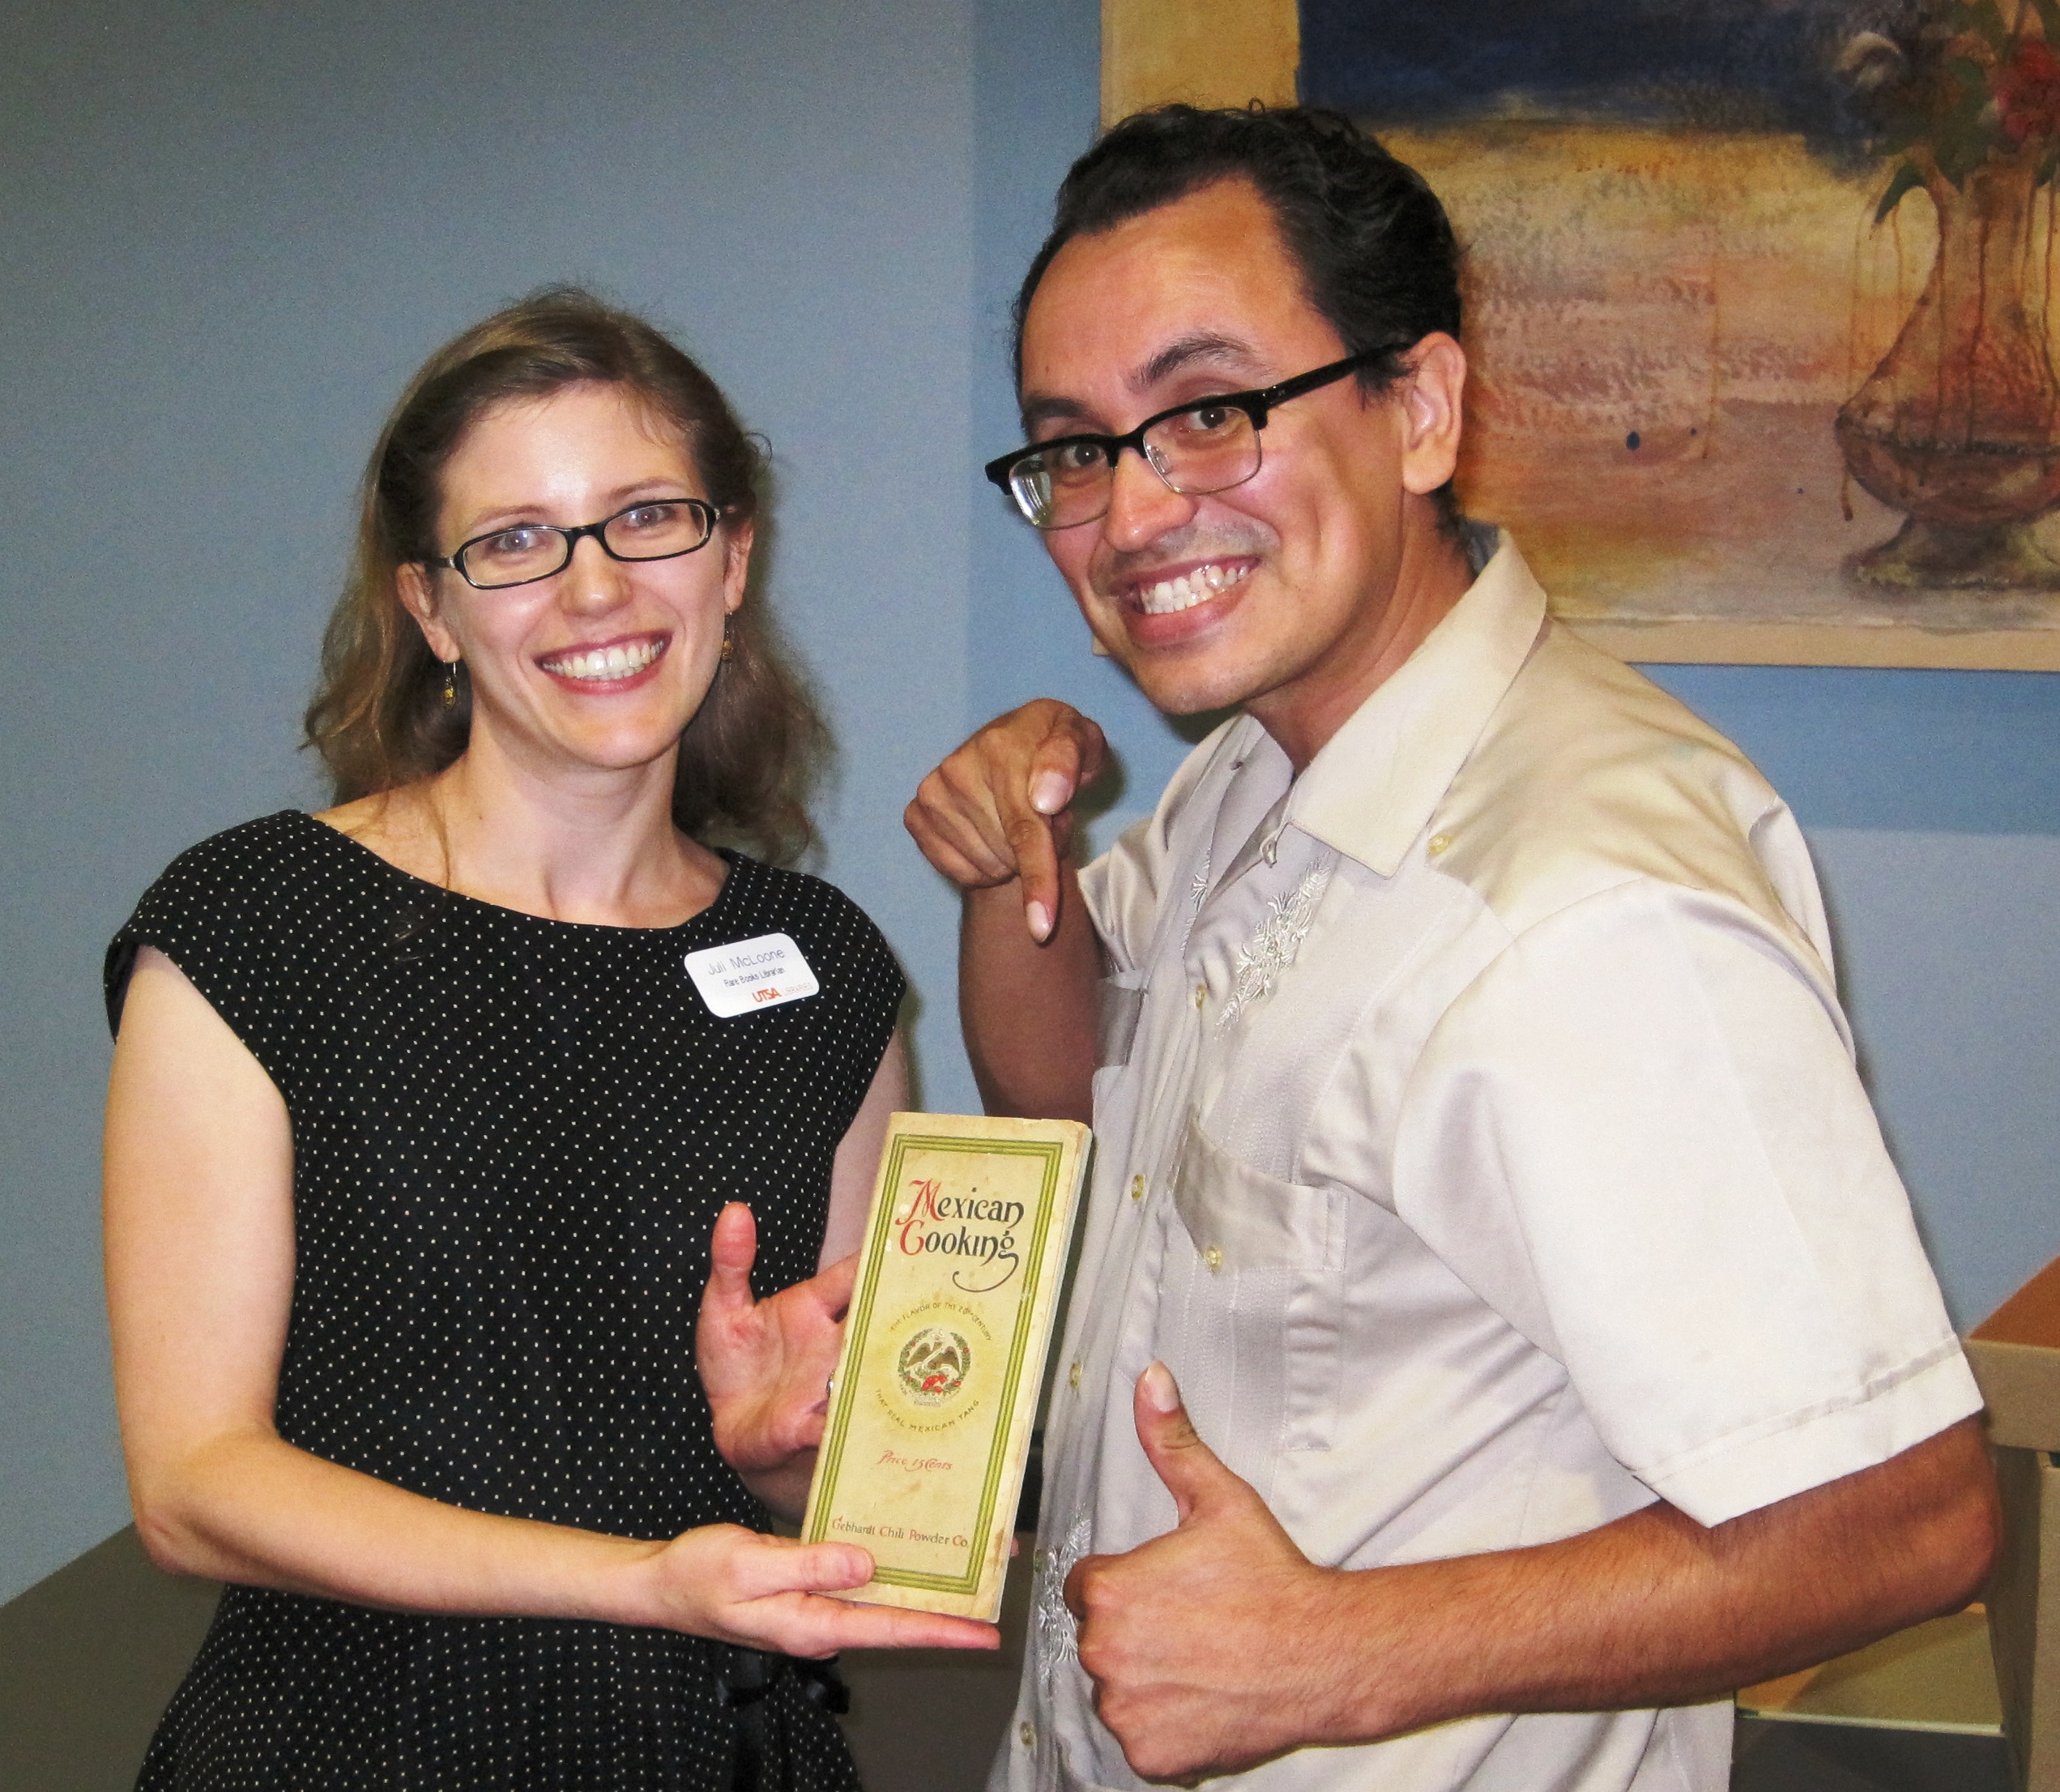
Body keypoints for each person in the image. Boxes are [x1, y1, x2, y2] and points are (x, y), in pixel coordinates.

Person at [901, 108, 2000, 1791]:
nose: (1127, 513)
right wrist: (1012, 869)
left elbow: (1901, 1514)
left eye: (1207, 414)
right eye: (1075, 448)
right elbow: (1071, 1092)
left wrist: (1341, 1651)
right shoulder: (1259, 772)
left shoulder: (1590, 902)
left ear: (1418, 408)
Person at [102, 288, 993, 1792]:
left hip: (714, 1754)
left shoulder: (825, 973)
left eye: (648, 517)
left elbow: (826, 1491)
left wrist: (786, 1460)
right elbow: (195, 1486)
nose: (594, 591)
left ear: (733, 562)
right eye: (515, 542)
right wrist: (634, 1578)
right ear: (431, 608)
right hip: (341, 1753)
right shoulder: (258, 924)